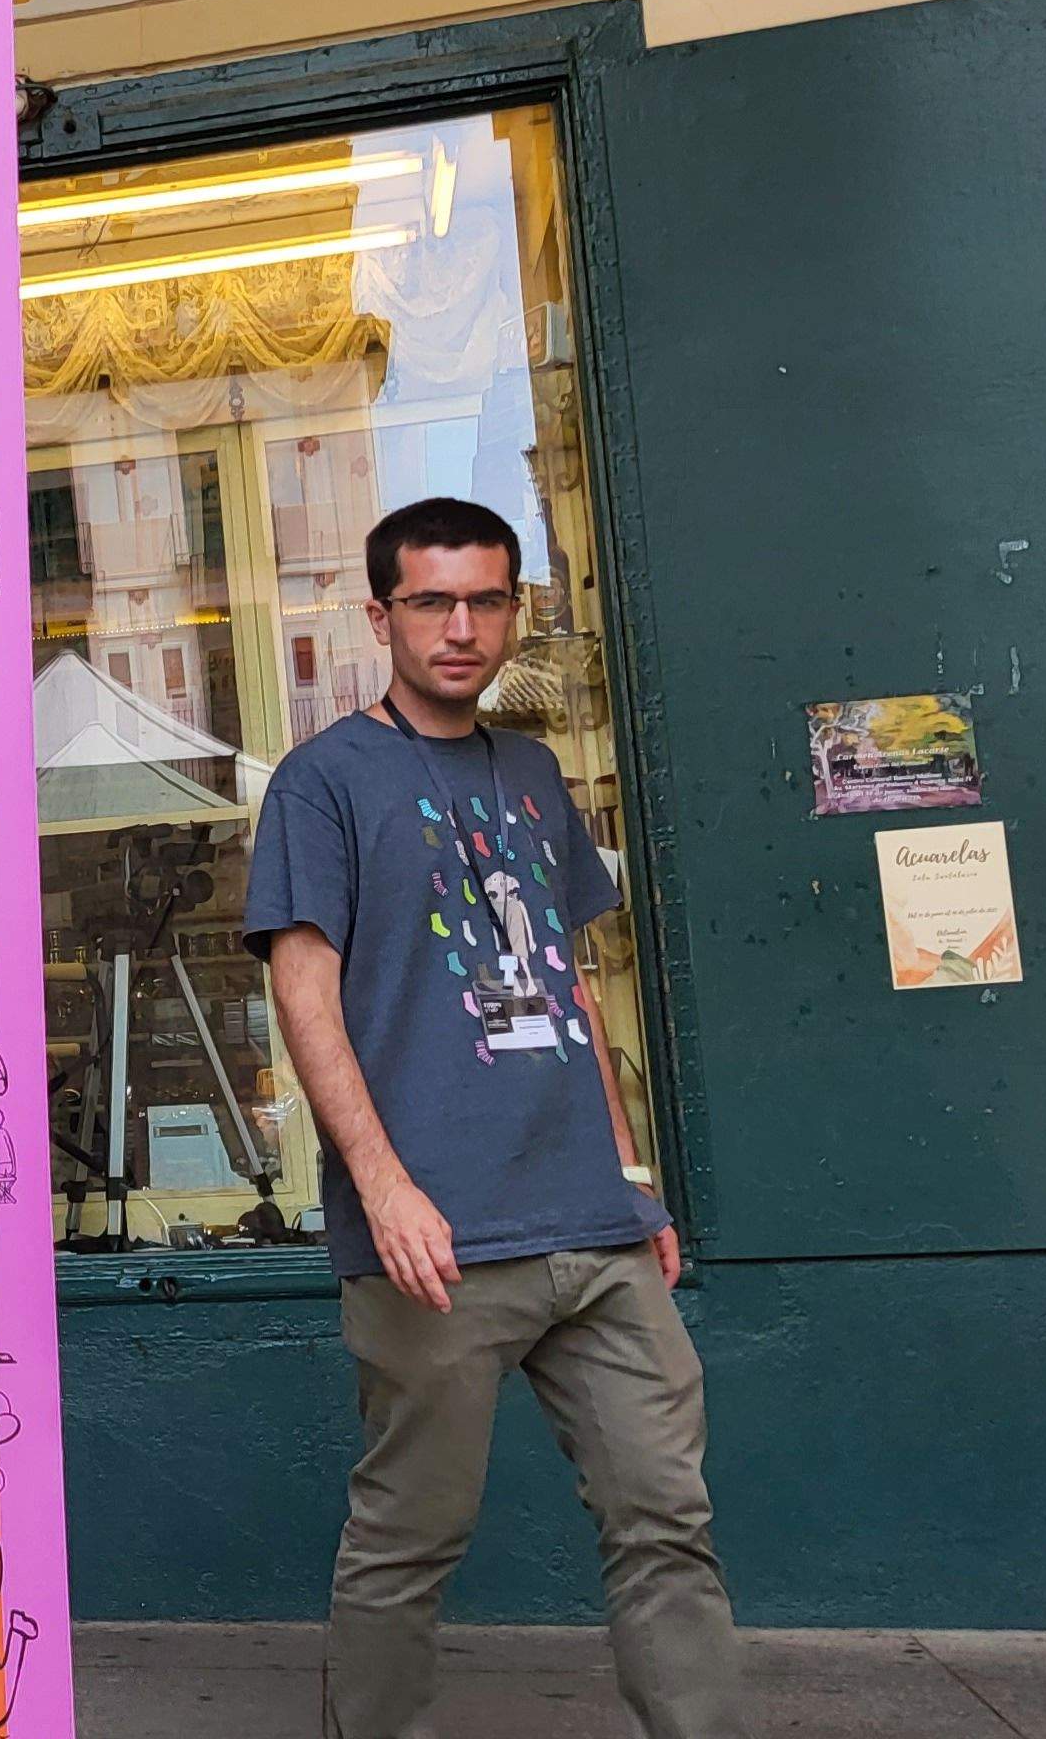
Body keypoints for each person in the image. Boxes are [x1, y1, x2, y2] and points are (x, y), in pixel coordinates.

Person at [243, 497, 745, 1738]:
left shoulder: (529, 771)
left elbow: (574, 984)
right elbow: (303, 996)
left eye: (486, 601)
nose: (461, 629)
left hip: (594, 1227)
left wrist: (628, 1171)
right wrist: (384, 1186)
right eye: (432, 603)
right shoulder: (323, 782)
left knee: (665, 1521)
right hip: (439, 1240)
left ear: (513, 609)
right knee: (408, 1542)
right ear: (380, 616)